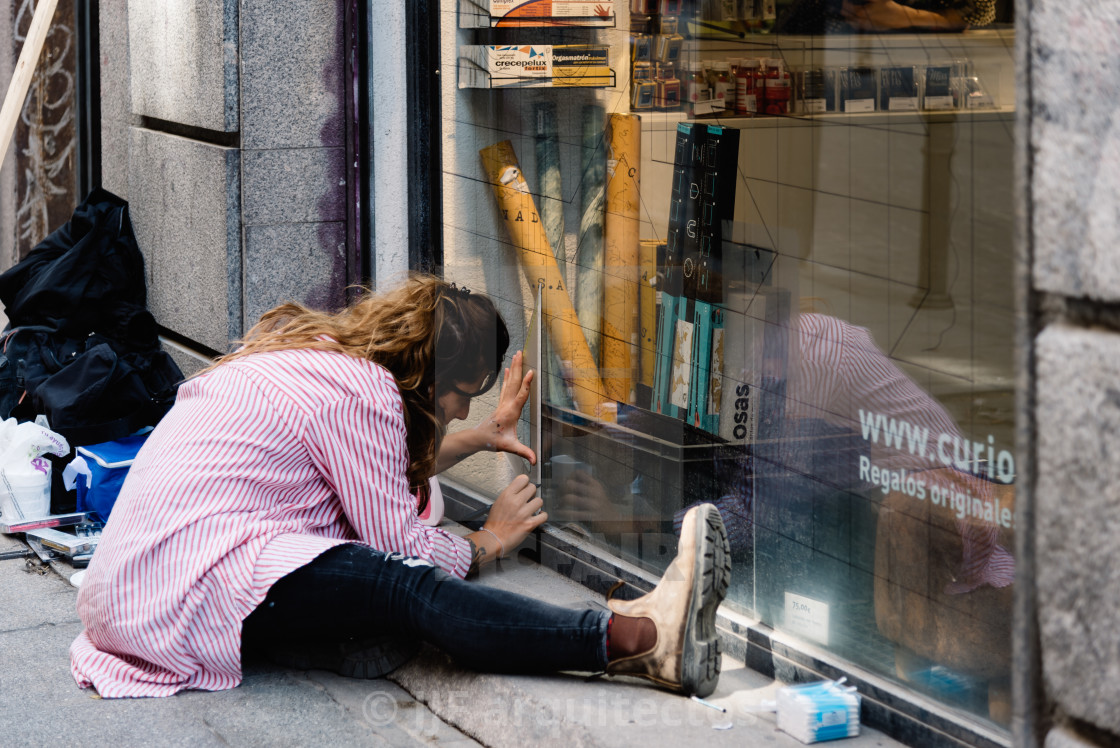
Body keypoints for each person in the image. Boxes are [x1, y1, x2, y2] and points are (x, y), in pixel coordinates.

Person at [69, 275, 731, 699]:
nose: (465, 413)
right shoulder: (364, 394)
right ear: (426, 374)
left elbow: (360, 472)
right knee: (403, 586)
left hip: (135, 587)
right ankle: (640, 639)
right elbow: (399, 546)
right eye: (464, 396)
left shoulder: (325, 360)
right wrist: (485, 541)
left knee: (377, 585)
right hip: (179, 589)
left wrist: (473, 441)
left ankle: (636, 628)